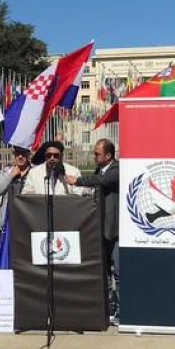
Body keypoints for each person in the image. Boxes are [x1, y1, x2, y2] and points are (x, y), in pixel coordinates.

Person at [67, 138, 121, 322]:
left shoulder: (116, 170)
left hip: (114, 229)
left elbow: (103, 181)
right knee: (103, 269)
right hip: (99, 227)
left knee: (118, 270)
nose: (94, 156)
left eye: (97, 153)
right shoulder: (100, 169)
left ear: (108, 155)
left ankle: (122, 306)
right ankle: (107, 305)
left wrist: (79, 181)